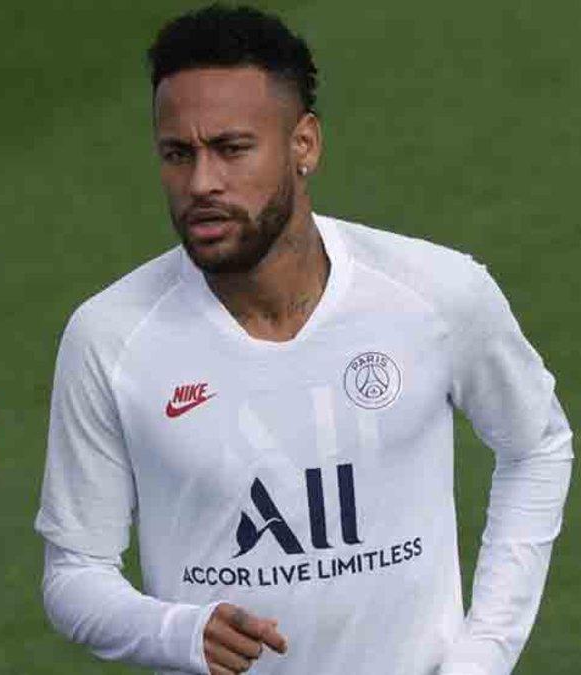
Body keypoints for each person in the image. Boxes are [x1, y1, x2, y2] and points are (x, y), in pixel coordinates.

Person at [35, 5, 572, 674]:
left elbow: (537, 446)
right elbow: (74, 571)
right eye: (178, 154)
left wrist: (482, 654)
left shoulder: (435, 294)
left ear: (304, 145)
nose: (202, 183)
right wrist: (175, 629)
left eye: (232, 149)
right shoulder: (109, 337)